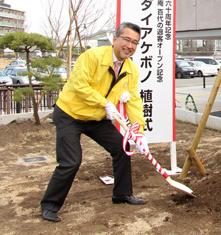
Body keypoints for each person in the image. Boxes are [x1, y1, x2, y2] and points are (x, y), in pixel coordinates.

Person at [40, 22, 149, 222]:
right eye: (126, 39)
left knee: (123, 148)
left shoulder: (131, 69)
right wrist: (105, 103)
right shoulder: (92, 57)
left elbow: (133, 100)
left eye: (135, 42)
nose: (130, 45)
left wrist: (139, 131)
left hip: (97, 117)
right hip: (70, 114)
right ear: (115, 39)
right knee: (71, 161)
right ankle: (50, 205)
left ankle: (122, 194)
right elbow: (79, 85)